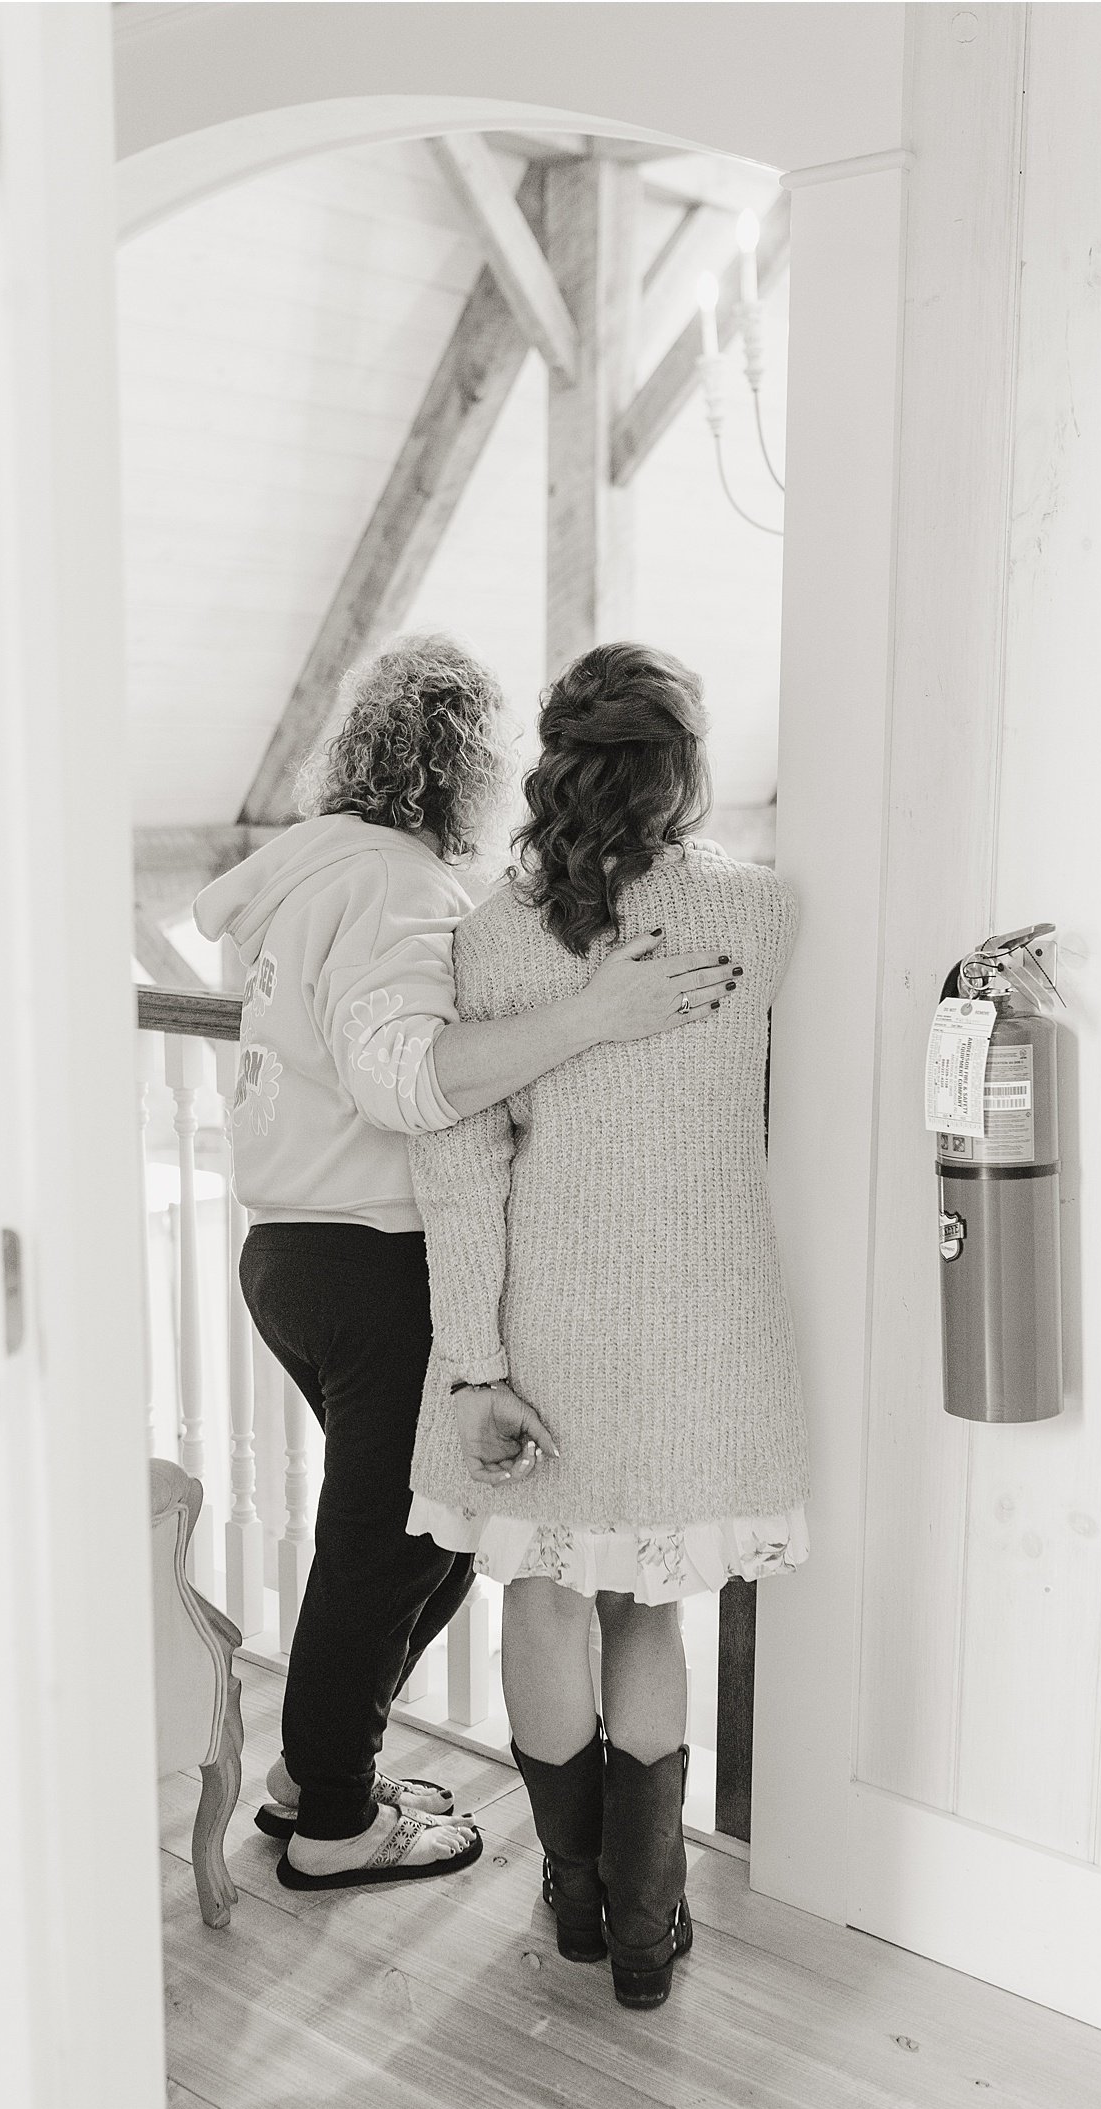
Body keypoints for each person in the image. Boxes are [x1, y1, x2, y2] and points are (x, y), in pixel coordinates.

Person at [193, 634, 733, 1892]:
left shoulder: (314, 874)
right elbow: (408, 1081)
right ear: (470, 767)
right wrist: (595, 1013)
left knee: (418, 1534)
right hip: (373, 1259)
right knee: (395, 1542)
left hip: (289, 1249)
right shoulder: (393, 887)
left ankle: (311, 1773)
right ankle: (335, 1820)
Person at [407, 641, 810, 2001]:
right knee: (649, 1608)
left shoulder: (488, 937)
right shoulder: (764, 916)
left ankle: (575, 1906)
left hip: (547, 1316)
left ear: (554, 761)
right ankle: (649, 1934)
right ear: (686, 768)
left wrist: (473, 1362)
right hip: (707, 1322)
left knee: (539, 1589)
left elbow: (459, 1163)